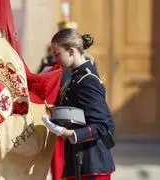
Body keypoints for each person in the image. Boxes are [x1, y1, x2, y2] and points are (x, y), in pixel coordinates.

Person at [42, 28, 115, 180]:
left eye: (57, 54)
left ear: (71, 51)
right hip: (79, 162)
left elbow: (101, 126)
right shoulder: (76, 77)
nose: (55, 59)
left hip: (92, 165)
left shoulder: (88, 80)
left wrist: (66, 133)